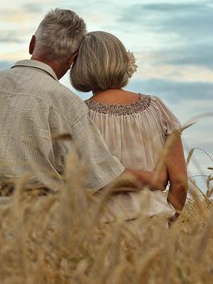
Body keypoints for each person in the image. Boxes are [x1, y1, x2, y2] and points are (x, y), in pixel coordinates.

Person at [0, 9, 161, 207]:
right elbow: (103, 177)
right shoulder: (64, 102)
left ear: (32, 44)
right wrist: (154, 179)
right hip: (38, 218)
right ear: (73, 60)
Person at [70, 31, 188, 222]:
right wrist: (169, 222)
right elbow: (180, 183)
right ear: (122, 61)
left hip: (98, 228)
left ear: (80, 66)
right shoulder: (157, 109)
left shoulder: (79, 116)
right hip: (153, 223)